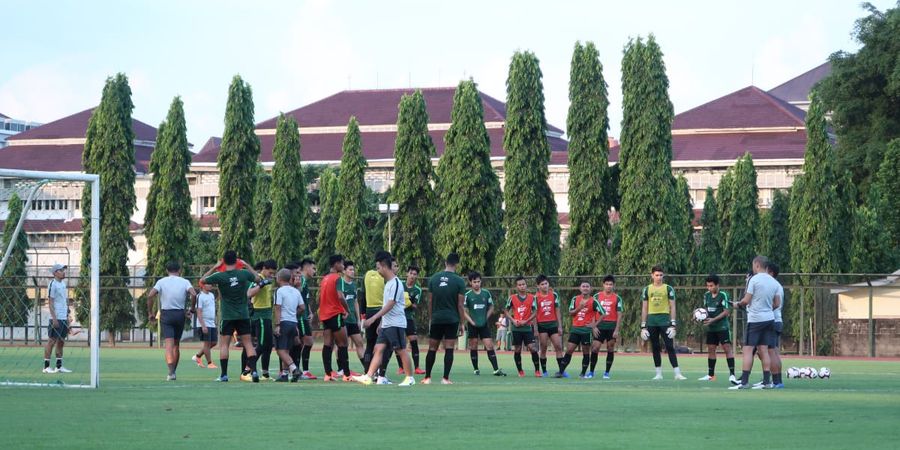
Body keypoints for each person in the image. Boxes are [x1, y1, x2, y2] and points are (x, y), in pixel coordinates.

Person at [353, 251, 416, 387]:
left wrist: (373, 318)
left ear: (383, 266)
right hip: (387, 324)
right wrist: (382, 323)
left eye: (378, 268)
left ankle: (410, 377)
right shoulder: (387, 284)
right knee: (378, 348)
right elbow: (385, 305)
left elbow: (390, 304)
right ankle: (368, 376)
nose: (377, 271)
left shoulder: (395, 283)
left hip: (396, 324)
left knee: (400, 350)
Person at [201, 250, 261, 382]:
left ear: (224, 261)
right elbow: (258, 279)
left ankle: (224, 375)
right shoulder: (244, 273)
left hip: (228, 316)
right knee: (248, 344)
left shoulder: (220, 276)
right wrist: (247, 265)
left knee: (224, 345)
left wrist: (215, 267)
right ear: (237, 260)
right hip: (243, 315)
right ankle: (255, 372)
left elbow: (202, 280)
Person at [729, 256, 781, 390]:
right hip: (769, 319)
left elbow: (746, 300)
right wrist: (767, 309)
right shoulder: (774, 282)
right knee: (764, 350)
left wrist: (737, 304)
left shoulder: (754, 279)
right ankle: (766, 382)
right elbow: (777, 303)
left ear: (757, 265)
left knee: (748, 350)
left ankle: (744, 382)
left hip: (755, 320)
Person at [146, 261, 197, 381]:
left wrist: (150, 313)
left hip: (166, 314)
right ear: (179, 270)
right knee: (176, 345)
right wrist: (192, 309)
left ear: (167, 271)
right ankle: (173, 371)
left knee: (169, 344)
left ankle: (171, 372)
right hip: (180, 314)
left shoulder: (161, 281)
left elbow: (150, 295)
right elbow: (194, 294)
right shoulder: (185, 281)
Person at [423, 253, 467, 385]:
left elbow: (430, 301)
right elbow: (460, 305)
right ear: (457, 264)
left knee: (432, 348)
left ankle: (427, 378)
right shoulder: (459, 281)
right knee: (449, 348)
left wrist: (431, 318)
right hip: (452, 319)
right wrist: (462, 323)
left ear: (445, 263)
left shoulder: (434, 279)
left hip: (436, 318)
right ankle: (445, 378)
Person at [640, 266, 686, 380]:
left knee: (670, 346)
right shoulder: (647, 289)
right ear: (652, 275)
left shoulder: (668, 288)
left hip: (664, 320)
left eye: (661, 275)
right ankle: (658, 374)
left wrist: (673, 324)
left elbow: (673, 306)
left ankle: (677, 373)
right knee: (655, 347)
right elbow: (644, 308)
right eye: (656, 275)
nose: (659, 277)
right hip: (652, 321)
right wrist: (643, 326)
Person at [556, 281, 605, 378]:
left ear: (590, 289)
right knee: (569, 350)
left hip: (586, 330)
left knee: (586, 351)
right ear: (580, 288)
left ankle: (582, 373)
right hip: (575, 329)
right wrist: (580, 307)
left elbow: (603, 313)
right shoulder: (575, 299)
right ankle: (561, 372)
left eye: (587, 286)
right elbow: (571, 313)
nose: (585, 288)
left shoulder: (594, 301)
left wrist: (594, 325)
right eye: (583, 286)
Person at [463, 271, 506, 376]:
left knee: (489, 345)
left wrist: (485, 317)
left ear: (481, 282)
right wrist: (471, 321)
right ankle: (476, 369)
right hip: (472, 325)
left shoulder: (486, 293)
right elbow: (463, 310)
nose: (477, 284)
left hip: (484, 325)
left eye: (478, 281)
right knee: (473, 346)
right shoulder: (467, 295)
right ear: (470, 283)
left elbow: (491, 307)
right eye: (474, 282)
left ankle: (496, 369)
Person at [697, 274, 738, 385]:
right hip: (711, 328)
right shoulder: (706, 295)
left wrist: (713, 320)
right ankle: (710, 375)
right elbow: (705, 310)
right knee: (711, 349)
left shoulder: (723, 295)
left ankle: (732, 375)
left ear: (717, 285)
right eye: (707, 286)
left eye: (711, 286)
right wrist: (699, 316)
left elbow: (726, 312)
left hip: (722, 327)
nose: (709, 288)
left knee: (727, 349)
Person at [319, 254, 352, 382]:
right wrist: (347, 310)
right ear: (336, 264)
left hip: (325, 315)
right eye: (342, 264)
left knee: (328, 344)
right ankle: (347, 375)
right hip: (335, 314)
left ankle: (328, 374)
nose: (343, 266)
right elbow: (340, 296)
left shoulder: (325, 278)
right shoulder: (337, 278)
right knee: (343, 343)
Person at [246, 259, 277, 380]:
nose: (272, 275)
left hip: (267, 316)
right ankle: (247, 370)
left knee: (268, 346)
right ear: (264, 268)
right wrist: (261, 284)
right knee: (262, 344)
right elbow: (249, 293)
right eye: (270, 272)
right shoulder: (258, 278)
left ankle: (265, 373)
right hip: (259, 316)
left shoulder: (269, 280)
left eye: (273, 273)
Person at [504, 276, 541, 378]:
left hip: (527, 327)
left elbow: (535, 312)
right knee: (517, 349)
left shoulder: (532, 298)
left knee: (532, 348)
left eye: (523, 284)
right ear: (516, 287)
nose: (522, 286)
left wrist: (527, 320)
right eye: (519, 285)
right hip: (516, 328)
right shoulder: (512, 298)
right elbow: (506, 311)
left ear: (526, 285)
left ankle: (537, 370)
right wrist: (513, 320)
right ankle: (520, 371)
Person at [272, 268, 304, 382]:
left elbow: (278, 307)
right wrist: (293, 314)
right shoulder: (296, 291)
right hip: (293, 322)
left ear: (278, 278)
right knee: (287, 350)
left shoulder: (279, 291)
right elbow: (302, 307)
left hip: (284, 322)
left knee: (280, 350)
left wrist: (277, 324)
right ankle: (285, 374)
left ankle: (294, 369)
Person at [395, 265, 425, 375]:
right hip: (397, 316)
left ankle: (417, 367)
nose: (412, 276)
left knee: (413, 340)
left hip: (408, 318)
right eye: (411, 273)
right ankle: (401, 367)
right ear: (407, 273)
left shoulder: (417, 290)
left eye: (415, 274)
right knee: (398, 342)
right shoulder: (400, 284)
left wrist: (409, 302)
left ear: (417, 276)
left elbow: (415, 306)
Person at [290, 259, 317, 380]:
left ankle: (298, 370)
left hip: (304, 315)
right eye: (313, 268)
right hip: (299, 317)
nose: (315, 271)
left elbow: (304, 300)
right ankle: (302, 370)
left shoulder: (305, 282)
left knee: (300, 344)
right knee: (306, 342)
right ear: (306, 268)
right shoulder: (301, 280)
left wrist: (310, 312)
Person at [591, 275, 623, 379]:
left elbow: (619, 315)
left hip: (611, 326)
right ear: (603, 285)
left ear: (613, 286)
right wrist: (593, 326)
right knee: (595, 348)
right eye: (607, 284)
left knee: (610, 348)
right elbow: (591, 312)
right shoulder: (596, 296)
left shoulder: (617, 298)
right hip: (599, 326)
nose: (608, 286)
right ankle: (591, 372)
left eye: (611, 284)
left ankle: (607, 373)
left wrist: (617, 329)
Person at [43, 264, 72, 374]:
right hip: (55, 317)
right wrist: (54, 318)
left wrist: (68, 315)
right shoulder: (52, 284)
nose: (63, 272)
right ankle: (46, 367)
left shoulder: (63, 284)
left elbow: (64, 301)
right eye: (61, 270)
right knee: (51, 341)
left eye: (63, 270)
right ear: (55, 273)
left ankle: (59, 367)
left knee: (61, 341)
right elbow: (50, 302)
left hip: (63, 317)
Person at [534, 274, 564, 378]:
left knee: (558, 346)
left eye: (546, 283)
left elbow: (557, 311)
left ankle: (561, 371)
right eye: (542, 284)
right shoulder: (536, 298)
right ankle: (544, 371)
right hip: (542, 325)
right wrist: (536, 328)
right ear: (538, 286)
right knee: (543, 347)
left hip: (553, 324)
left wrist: (560, 326)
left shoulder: (554, 295)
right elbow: (534, 314)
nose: (545, 286)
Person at [340, 260, 365, 374]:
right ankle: (342, 369)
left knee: (359, 343)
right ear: (344, 271)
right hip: (342, 319)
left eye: (353, 269)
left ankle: (367, 368)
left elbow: (355, 302)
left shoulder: (354, 285)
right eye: (350, 269)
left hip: (352, 320)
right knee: (341, 345)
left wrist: (358, 319)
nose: (352, 271)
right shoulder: (340, 283)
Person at [192, 281, 218, 369]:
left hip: (212, 323)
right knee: (207, 344)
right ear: (202, 285)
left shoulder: (211, 295)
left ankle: (198, 356)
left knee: (214, 343)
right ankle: (210, 363)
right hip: (204, 323)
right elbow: (198, 312)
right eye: (208, 283)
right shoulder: (200, 296)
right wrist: (203, 325)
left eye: (210, 283)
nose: (210, 285)